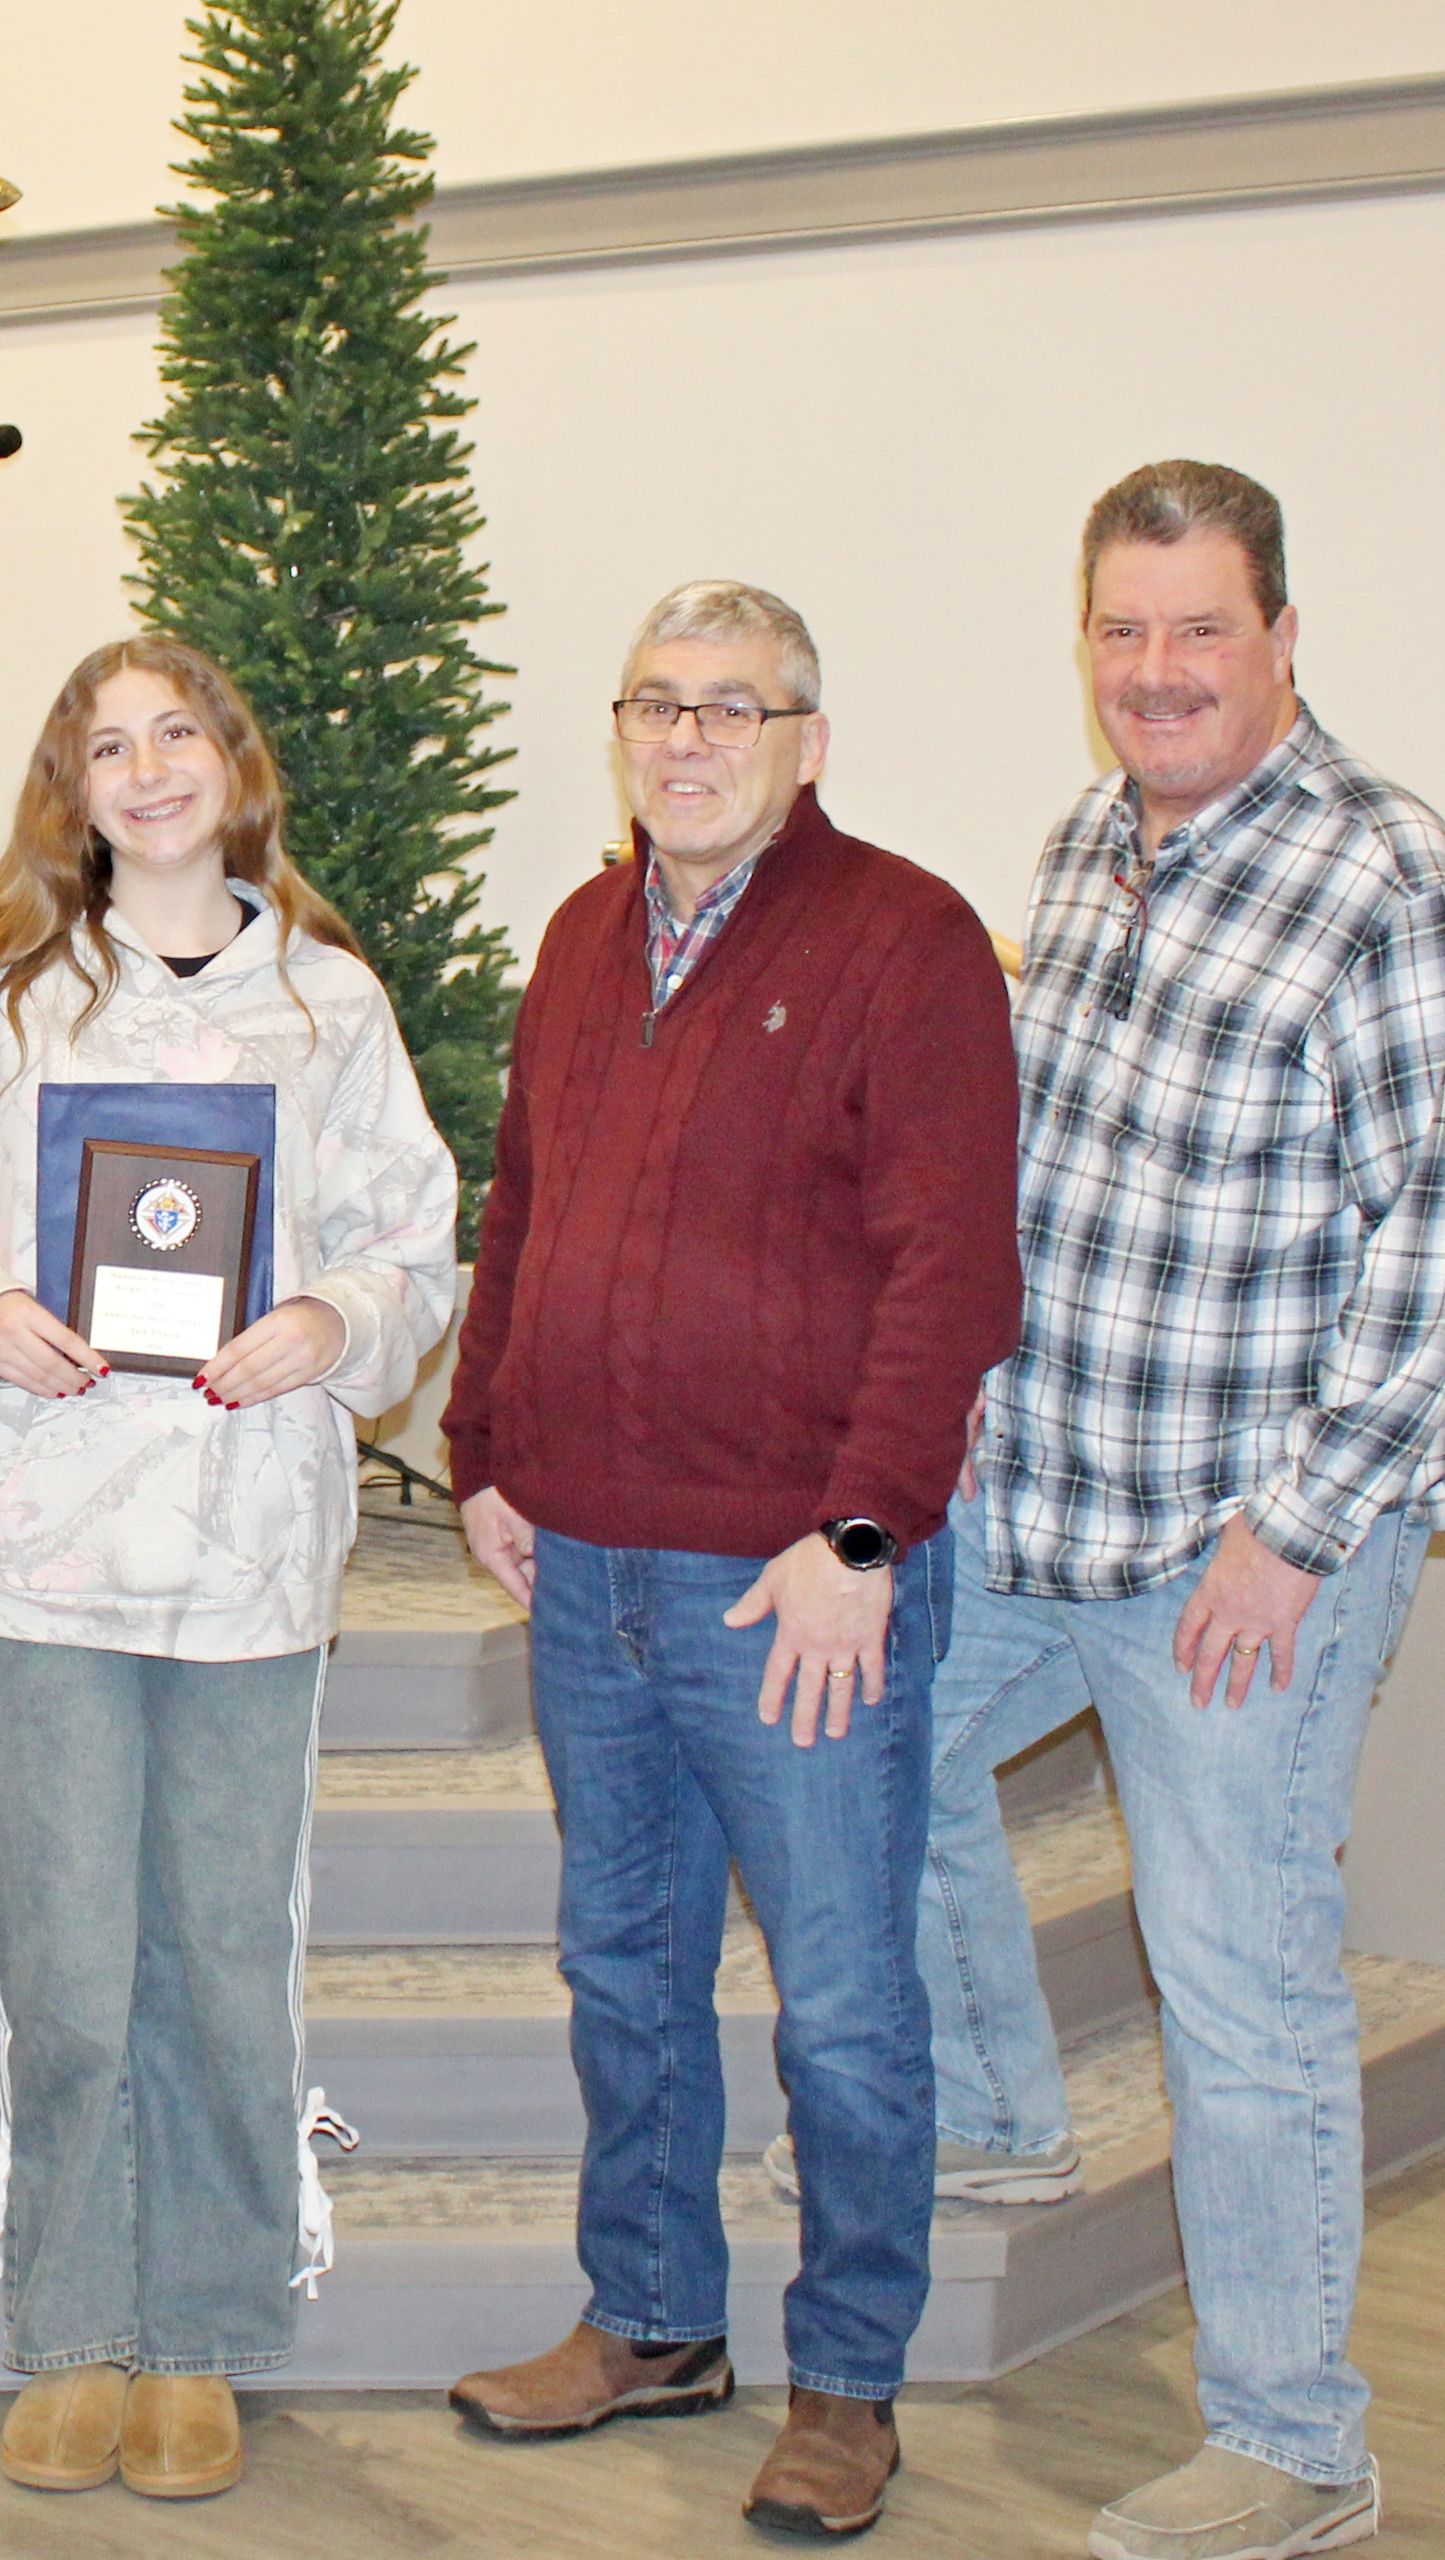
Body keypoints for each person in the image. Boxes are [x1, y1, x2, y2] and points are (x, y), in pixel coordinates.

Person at [914, 464, 1445, 2560]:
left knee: (1240, 1982)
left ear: (1280, 635)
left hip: (1240, 1542)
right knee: (852, 1735)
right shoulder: (1089, 845)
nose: (1155, 672)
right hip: (1037, 1487)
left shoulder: (1395, 884)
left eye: (1197, 629)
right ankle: (998, 2117)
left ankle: (1295, 2439)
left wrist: (1297, 1526)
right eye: (1120, 630)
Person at [438, 582, 1022, 2539]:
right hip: (586, 1561)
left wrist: (865, 1531)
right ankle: (655, 2318)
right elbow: (523, 1199)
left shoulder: (906, 940)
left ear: (809, 740)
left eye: (732, 710)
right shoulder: (588, 932)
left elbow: (955, 1276)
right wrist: (485, 1445)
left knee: (847, 1999)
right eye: (658, 707)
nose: (688, 740)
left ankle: (849, 2377)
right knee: (624, 1966)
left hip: (794, 1586)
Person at [0, 634, 457, 2500]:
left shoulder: (330, 1010)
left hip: (245, 1545)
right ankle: (71, 2320)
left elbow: (414, 1244)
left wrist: (328, 1320)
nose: (145, 773)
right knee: (58, 1951)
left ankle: (201, 2324)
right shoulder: (4, 996)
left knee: (219, 1949)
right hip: (42, 1542)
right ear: (73, 785)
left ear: (233, 761)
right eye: (107, 746)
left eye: (175, 735)